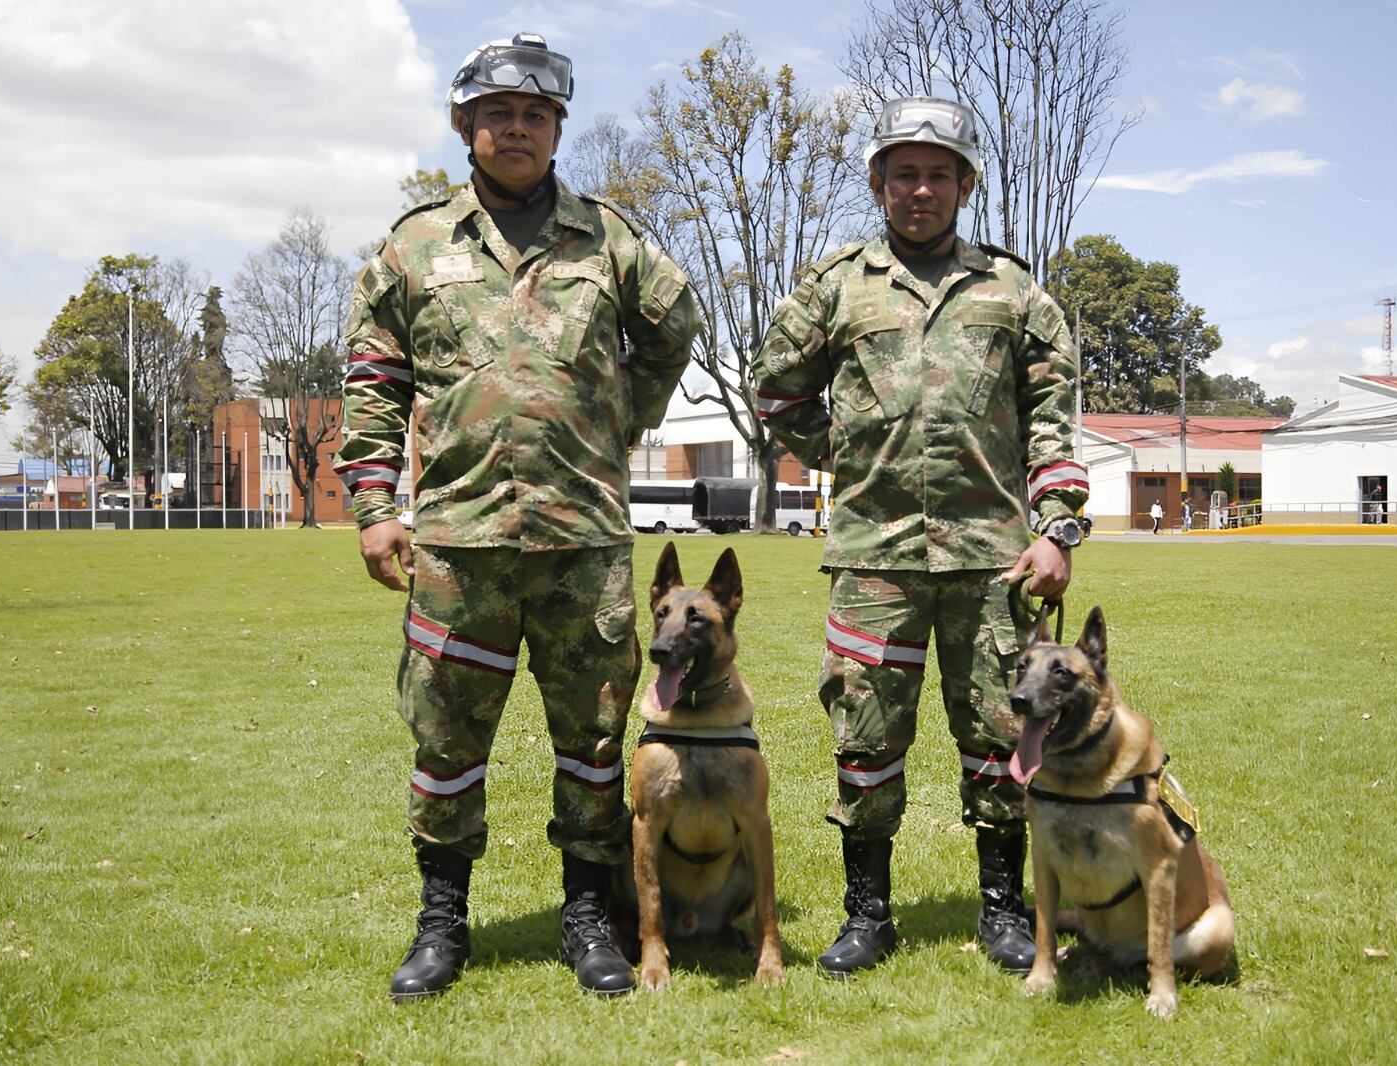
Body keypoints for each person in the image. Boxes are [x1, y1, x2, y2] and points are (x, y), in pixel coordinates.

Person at [336, 33, 700, 1001]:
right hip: (459, 543)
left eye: (534, 114)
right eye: (496, 112)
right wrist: (375, 506)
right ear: (464, 125)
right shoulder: (416, 246)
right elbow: (372, 379)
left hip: (584, 543)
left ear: (557, 128)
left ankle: (588, 914)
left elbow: (675, 321)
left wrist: (621, 410)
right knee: (445, 743)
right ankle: (441, 919)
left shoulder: (606, 237)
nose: (515, 128)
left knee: (591, 740)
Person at [752, 96, 1088, 979]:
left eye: (939, 173)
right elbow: (776, 390)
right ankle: (868, 913)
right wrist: (849, 456)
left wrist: (1057, 529)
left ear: (966, 184)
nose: (921, 188)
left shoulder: (1013, 292)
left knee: (1000, 732)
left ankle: (1004, 910)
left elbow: (1053, 416)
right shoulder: (835, 286)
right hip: (875, 556)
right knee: (864, 738)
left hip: (994, 557)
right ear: (878, 182)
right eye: (904, 172)